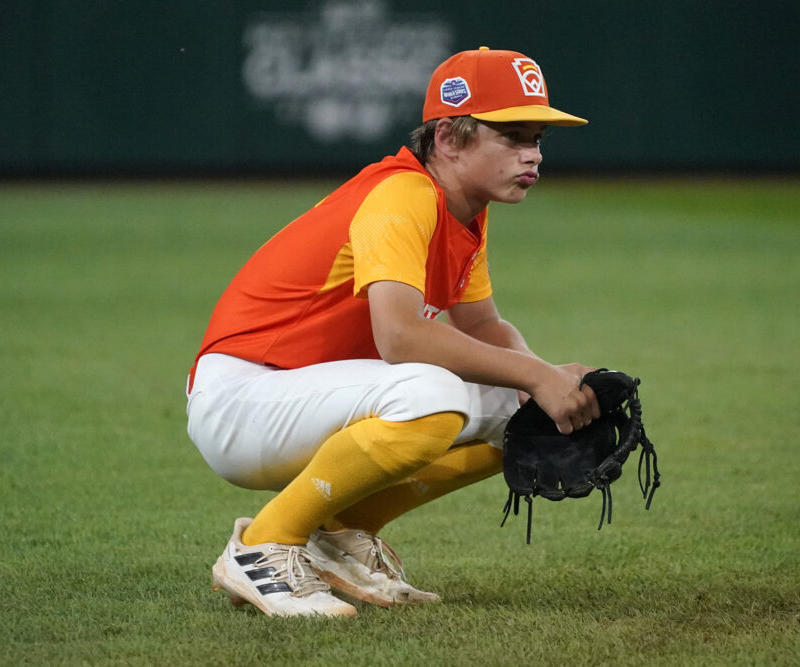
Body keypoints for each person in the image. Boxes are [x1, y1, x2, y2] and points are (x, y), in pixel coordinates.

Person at [185, 46, 599, 618]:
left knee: (521, 409)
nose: (532, 155)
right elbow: (401, 339)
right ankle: (263, 544)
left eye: (538, 140)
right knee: (434, 393)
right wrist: (533, 373)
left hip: (307, 392)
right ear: (449, 139)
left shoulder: (464, 211)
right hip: (246, 395)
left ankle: (340, 536)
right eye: (512, 136)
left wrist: (547, 378)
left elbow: (482, 326)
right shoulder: (401, 195)